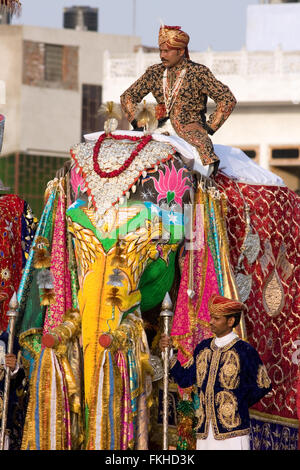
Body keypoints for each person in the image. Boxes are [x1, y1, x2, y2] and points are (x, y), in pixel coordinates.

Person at [160, 294, 272, 450]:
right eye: (211, 317)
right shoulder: (203, 348)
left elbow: (263, 385)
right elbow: (185, 379)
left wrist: (236, 404)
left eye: (216, 318)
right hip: (204, 431)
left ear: (231, 321)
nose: (211, 322)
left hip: (233, 433)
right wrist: (169, 354)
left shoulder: (244, 350)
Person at [120, 24, 237, 174]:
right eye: (161, 51)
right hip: (156, 128)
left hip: (191, 131)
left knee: (203, 161)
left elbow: (227, 99)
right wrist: (137, 122)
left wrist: (209, 127)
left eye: (167, 51)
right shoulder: (155, 72)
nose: (162, 55)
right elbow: (127, 96)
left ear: (181, 51)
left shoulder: (198, 72)